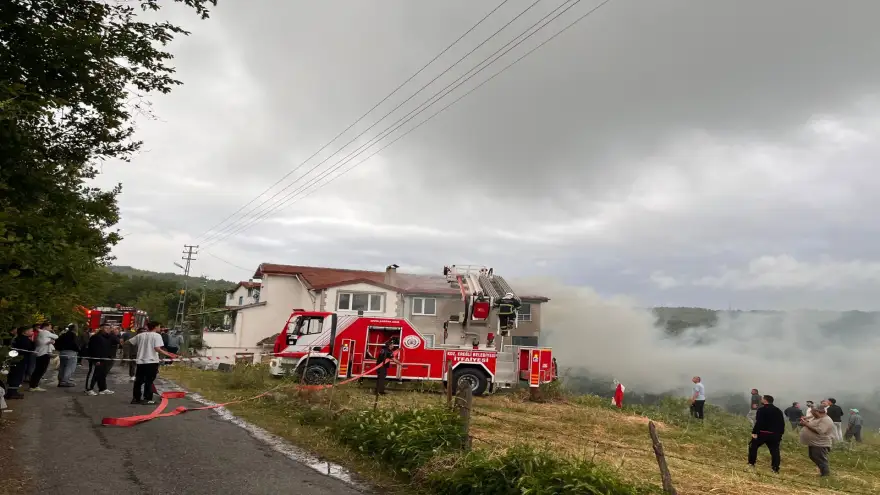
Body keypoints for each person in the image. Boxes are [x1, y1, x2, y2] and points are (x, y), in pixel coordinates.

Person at [129, 322, 176, 405]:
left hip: (141, 361)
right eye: (159, 326)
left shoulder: (141, 335)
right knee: (149, 381)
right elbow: (157, 348)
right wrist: (169, 354)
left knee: (138, 381)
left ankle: (136, 399)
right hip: (151, 361)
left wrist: (135, 352)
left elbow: (130, 342)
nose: (160, 328)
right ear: (155, 327)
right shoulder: (157, 336)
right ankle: (147, 398)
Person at [748, 395, 785, 473]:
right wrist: (780, 434)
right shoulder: (778, 410)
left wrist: (754, 432)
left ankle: (751, 464)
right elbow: (782, 423)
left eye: (762, 399)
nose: (761, 400)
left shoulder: (762, 410)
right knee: (775, 451)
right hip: (775, 434)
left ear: (765, 400)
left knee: (753, 446)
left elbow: (759, 422)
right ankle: (775, 468)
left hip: (762, 433)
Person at [800, 405, 834, 477]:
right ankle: (823, 472)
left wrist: (806, 424)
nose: (812, 413)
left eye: (813, 412)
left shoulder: (826, 420)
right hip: (814, 443)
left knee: (820, 459)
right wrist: (805, 423)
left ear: (818, 412)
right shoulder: (816, 418)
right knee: (813, 456)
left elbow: (820, 430)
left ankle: (825, 475)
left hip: (820, 444)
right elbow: (811, 424)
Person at [5, 327, 36, 400]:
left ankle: (12, 391)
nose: (32, 332)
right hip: (20, 360)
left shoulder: (17, 338)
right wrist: (32, 341)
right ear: (24, 332)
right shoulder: (24, 340)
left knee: (14, 375)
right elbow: (30, 349)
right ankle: (12, 393)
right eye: (30, 331)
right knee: (17, 375)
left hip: (16, 359)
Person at [28, 322, 59, 392]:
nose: (51, 328)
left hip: (40, 352)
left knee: (38, 370)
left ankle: (33, 385)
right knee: (40, 370)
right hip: (43, 353)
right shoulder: (45, 332)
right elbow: (56, 336)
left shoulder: (40, 333)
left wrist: (51, 341)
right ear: (46, 326)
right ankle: (33, 386)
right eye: (50, 327)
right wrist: (52, 336)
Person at [85, 324, 114, 396]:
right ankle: (88, 389)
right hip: (96, 359)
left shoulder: (108, 337)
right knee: (93, 374)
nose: (108, 330)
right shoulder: (96, 337)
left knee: (102, 374)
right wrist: (96, 359)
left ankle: (103, 388)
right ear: (101, 329)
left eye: (109, 328)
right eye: (106, 328)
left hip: (105, 358)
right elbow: (94, 349)